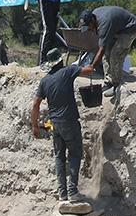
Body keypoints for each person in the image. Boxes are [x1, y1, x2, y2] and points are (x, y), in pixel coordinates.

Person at [31, 48, 95, 202]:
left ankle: (62, 193)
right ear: (60, 60)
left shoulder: (44, 81)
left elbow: (35, 104)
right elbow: (89, 70)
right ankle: (73, 192)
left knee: (59, 157)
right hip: (69, 121)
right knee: (75, 153)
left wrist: (34, 125)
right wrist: (97, 54)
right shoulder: (68, 71)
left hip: (54, 124)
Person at [80, 6, 136, 100]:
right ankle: (109, 82)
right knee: (107, 53)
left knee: (116, 55)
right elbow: (104, 49)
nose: (89, 29)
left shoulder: (104, 24)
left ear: (92, 21)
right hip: (117, 29)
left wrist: (92, 67)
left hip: (130, 28)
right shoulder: (95, 16)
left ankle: (117, 86)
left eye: (88, 27)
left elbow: (101, 49)